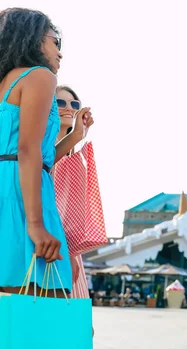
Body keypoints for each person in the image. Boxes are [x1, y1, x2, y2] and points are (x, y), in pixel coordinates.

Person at [0, 8, 72, 296]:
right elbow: (28, 150)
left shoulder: (6, 84)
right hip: (23, 196)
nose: (59, 52)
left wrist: (74, 136)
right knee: (46, 306)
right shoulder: (39, 77)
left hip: (9, 184)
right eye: (54, 41)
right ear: (33, 39)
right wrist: (36, 225)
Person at [54, 85, 95, 299]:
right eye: (60, 102)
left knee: (77, 322)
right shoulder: (42, 147)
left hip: (69, 246)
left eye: (74, 104)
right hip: (51, 240)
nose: (68, 108)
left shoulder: (72, 154)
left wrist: (81, 134)